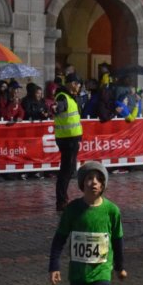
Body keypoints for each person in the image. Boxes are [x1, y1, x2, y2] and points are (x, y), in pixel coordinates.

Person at [47, 161, 127, 285]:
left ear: (104, 184)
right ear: (82, 183)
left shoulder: (112, 210)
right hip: (78, 272)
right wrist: (54, 265)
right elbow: (60, 238)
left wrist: (120, 267)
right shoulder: (73, 210)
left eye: (99, 179)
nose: (94, 182)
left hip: (101, 270)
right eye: (89, 178)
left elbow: (118, 240)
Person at [53, 74, 84, 211]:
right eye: (78, 84)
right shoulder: (63, 97)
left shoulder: (71, 97)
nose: (79, 87)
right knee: (66, 171)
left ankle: (63, 198)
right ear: (72, 83)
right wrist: (55, 108)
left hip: (72, 138)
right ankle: (61, 201)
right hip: (67, 139)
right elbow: (59, 106)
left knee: (69, 170)